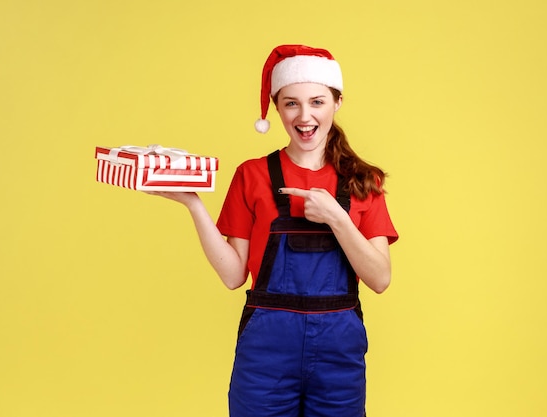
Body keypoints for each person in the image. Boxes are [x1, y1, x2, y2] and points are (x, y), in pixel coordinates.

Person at [147, 44, 398, 417]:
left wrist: (337, 218)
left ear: (337, 103)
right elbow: (234, 275)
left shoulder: (364, 181)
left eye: (317, 102)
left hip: (338, 355)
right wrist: (193, 204)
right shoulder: (252, 175)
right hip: (266, 354)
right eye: (291, 103)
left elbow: (379, 278)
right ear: (277, 108)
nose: (304, 115)